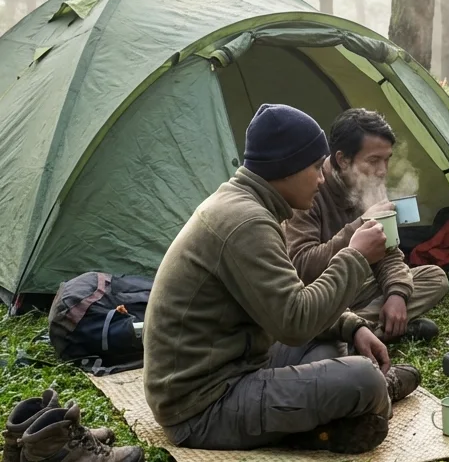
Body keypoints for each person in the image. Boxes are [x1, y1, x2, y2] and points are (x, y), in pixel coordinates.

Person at [143, 104, 421, 454]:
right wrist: (355, 255)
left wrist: (352, 326)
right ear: (285, 168)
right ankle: (373, 391)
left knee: (327, 346)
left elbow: (288, 301)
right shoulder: (246, 222)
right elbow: (294, 322)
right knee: (363, 378)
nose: (321, 180)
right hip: (202, 405)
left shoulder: (245, 205)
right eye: (312, 169)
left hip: (237, 363)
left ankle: (333, 413)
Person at [284, 108, 449, 343]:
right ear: (342, 159)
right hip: (318, 293)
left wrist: (397, 293)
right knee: (310, 310)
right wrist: (360, 226)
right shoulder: (308, 189)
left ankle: (356, 332)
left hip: (356, 289)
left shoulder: (368, 185)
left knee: (435, 278)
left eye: (386, 159)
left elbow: (388, 251)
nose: (382, 171)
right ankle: (364, 331)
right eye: (373, 161)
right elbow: (302, 267)